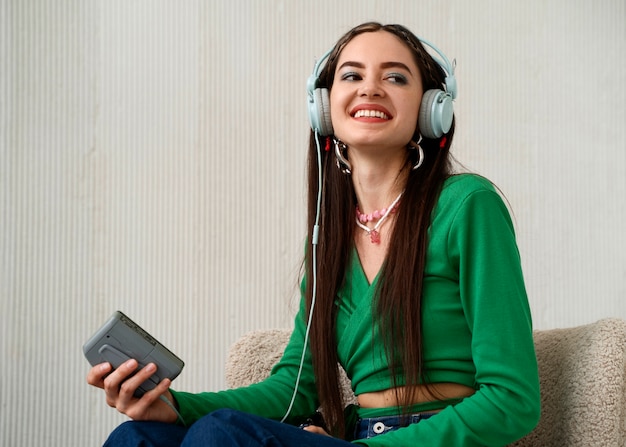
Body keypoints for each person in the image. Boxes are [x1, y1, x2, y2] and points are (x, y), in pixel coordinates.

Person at [87, 22, 541, 446]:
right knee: (138, 437)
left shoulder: (467, 205)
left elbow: (512, 400)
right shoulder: (330, 239)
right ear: (323, 106)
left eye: (396, 78)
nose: (370, 87)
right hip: (356, 434)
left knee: (220, 434)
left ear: (430, 108)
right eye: (352, 75)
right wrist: (171, 405)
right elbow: (293, 391)